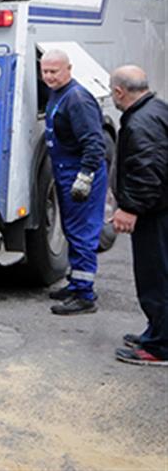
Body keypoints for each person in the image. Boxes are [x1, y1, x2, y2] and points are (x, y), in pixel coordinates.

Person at [40, 50, 108, 315]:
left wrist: (85, 176)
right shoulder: (60, 93)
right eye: (45, 71)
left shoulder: (77, 99)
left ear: (69, 69)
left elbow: (94, 143)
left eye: (54, 71)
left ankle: (84, 296)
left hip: (79, 173)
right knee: (72, 230)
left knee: (82, 234)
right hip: (66, 170)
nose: (49, 77)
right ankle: (77, 282)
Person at [108, 65, 168, 366]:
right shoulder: (156, 108)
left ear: (119, 91)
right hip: (160, 209)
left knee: (156, 277)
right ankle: (156, 332)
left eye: (112, 92)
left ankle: (159, 347)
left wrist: (130, 207)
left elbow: (148, 171)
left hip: (155, 214)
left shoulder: (141, 122)